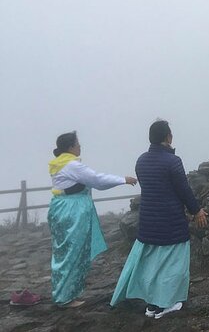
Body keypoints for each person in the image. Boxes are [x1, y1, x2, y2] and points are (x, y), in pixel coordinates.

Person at [111, 120, 207, 319]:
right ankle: (167, 304)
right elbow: (183, 190)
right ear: (168, 137)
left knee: (152, 266)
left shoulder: (141, 161)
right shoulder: (173, 161)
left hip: (148, 222)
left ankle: (152, 305)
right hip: (171, 222)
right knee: (173, 266)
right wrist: (196, 211)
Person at [48, 131, 137, 308]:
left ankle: (63, 293)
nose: (80, 146)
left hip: (60, 208)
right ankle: (66, 297)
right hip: (73, 211)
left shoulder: (59, 164)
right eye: (77, 143)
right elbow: (97, 180)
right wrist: (123, 180)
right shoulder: (72, 165)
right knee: (73, 253)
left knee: (64, 252)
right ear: (71, 147)